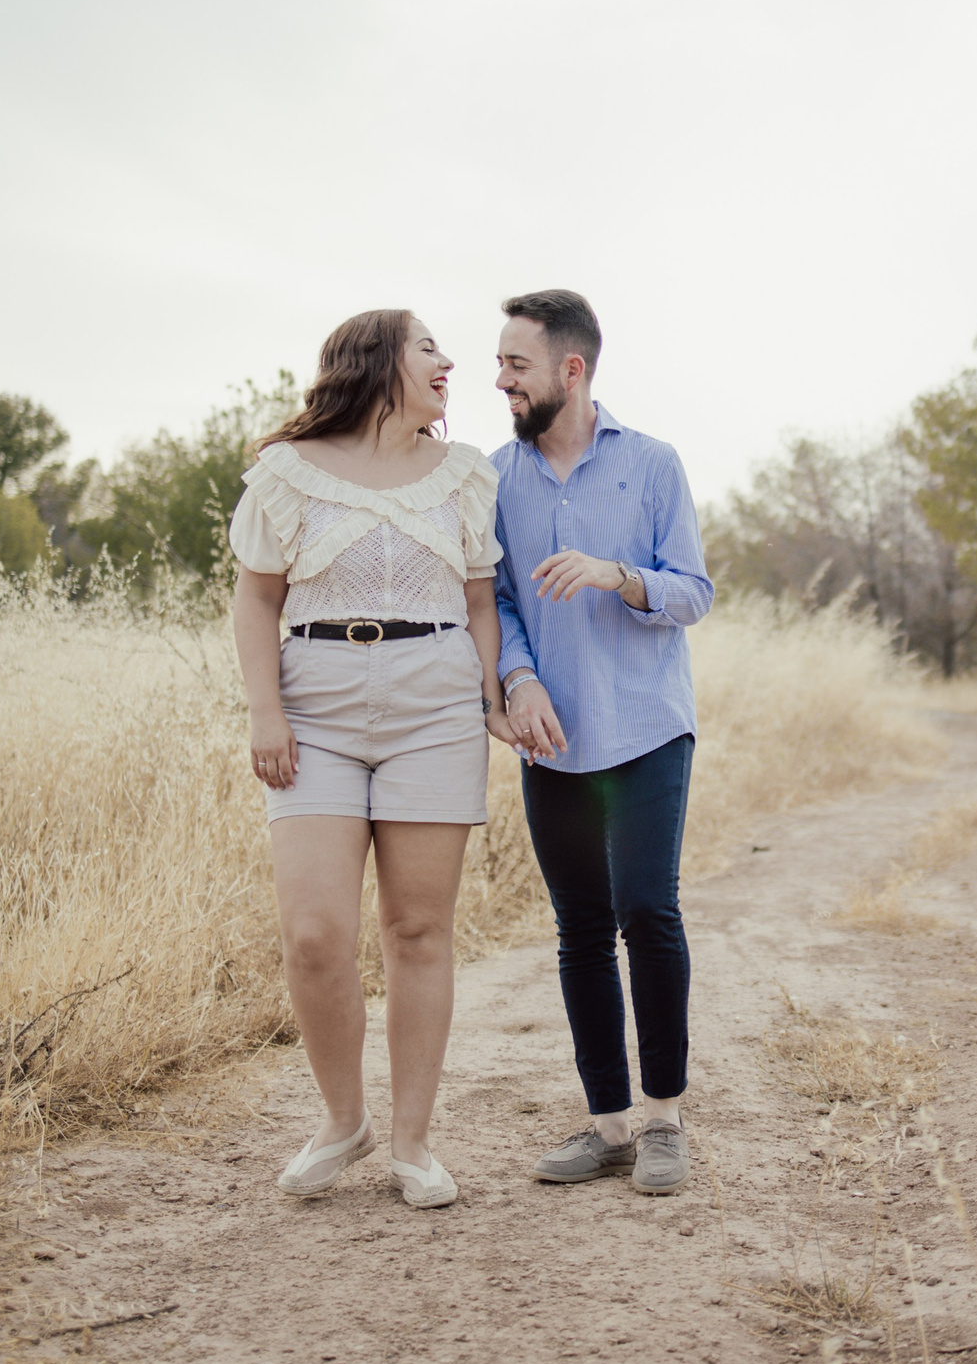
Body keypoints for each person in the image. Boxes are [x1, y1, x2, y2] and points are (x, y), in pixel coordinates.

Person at [230, 309, 509, 1210]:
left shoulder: (464, 476)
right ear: (379, 358)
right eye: (429, 347)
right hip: (316, 705)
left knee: (418, 930)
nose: (449, 362)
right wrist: (264, 710)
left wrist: (496, 698)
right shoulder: (286, 474)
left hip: (434, 703)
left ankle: (413, 1143)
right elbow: (255, 601)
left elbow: (479, 604)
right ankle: (342, 1120)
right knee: (315, 935)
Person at [490, 289, 715, 1195]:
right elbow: (496, 599)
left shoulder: (653, 464)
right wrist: (517, 677)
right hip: (553, 736)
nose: (501, 379)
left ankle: (664, 1119)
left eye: (516, 364)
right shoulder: (497, 479)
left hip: (648, 726)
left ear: (570, 370)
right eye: (500, 363)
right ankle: (608, 1125)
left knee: (646, 914)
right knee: (579, 932)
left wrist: (618, 576)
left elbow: (693, 592)